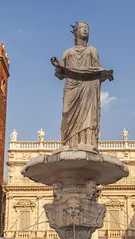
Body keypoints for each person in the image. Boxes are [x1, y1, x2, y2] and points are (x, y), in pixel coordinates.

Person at [51, 22, 113, 150]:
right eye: (82, 28)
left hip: (88, 87)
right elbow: (60, 74)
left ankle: (86, 142)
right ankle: (68, 142)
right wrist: (58, 65)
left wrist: (105, 73)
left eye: (87, 28)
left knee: (88, 114)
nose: (85, 30)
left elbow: (96, 69)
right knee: (66, 112)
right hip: (72, 86)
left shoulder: (92, 50)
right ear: (75, 32)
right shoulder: (68, 52)